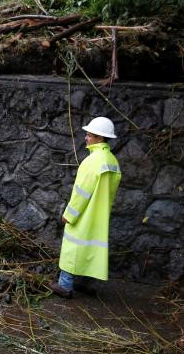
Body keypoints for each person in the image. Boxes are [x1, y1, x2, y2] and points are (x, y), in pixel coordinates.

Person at [50, 116, 122, 299]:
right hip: (99, 215)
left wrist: (69, 215)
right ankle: (86, 284)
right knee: (91, 249)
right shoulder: (112, 161)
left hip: (83, 214)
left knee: (72, 249)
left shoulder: (92, 162)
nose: (86, 138)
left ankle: (64, 286)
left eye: (89, 135)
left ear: (99, 137)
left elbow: (81, 194)